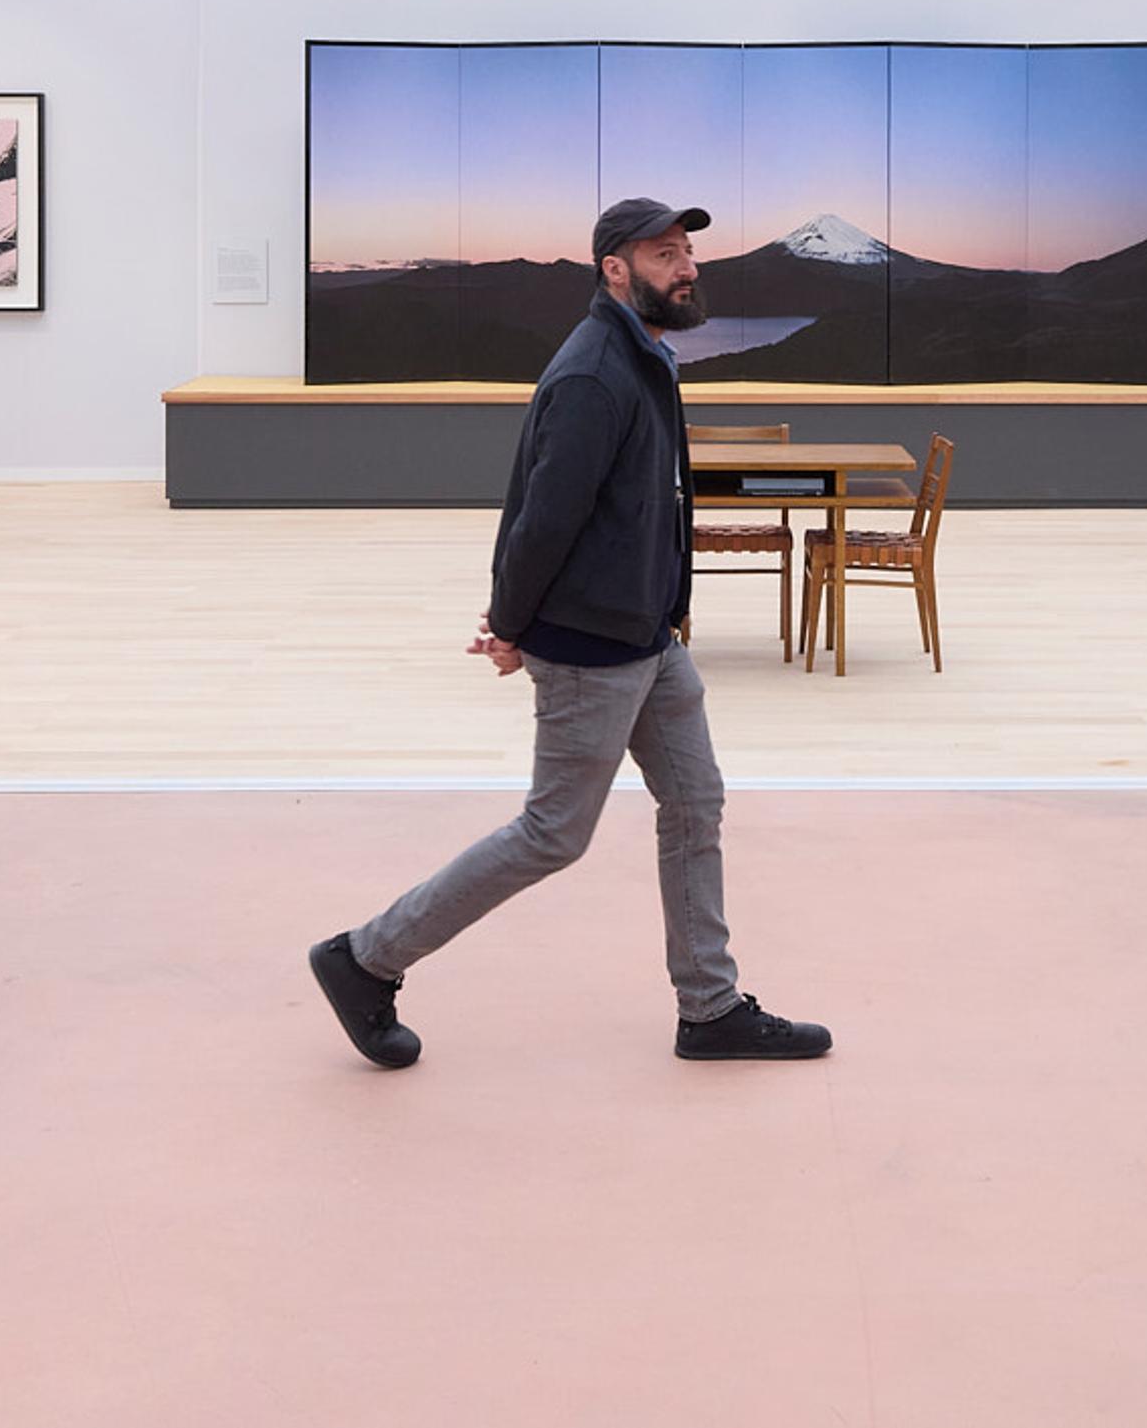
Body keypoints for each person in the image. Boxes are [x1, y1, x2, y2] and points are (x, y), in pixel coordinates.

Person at [309, 196, 830, 1071]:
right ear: (614, 269)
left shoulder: (646, 357)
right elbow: (540, 519)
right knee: (553, 832)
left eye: (688, 252)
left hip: (651, 640)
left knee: (695, 801)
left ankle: (710, 1008)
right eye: (665, 254)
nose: (688, 267)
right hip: (594, 645)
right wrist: (509, 625)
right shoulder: (595, 374)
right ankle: (364, 957)